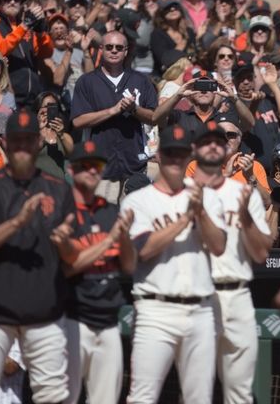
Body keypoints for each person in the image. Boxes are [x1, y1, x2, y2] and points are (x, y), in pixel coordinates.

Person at [0, 108, 78, 404]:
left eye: (29, 140)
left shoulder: (58, 189)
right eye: (17, 140)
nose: (23, 147)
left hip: (44, 313)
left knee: (52, 397)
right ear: (6, 143)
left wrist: (65, 243)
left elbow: (73, 259)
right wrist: (16, 223)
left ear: (39, 142)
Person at [122, 124, 227, 403]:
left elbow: (219, 246)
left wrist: (200, 212)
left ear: (190, 155)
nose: (175, 161)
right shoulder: (138, 200)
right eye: (170, 154)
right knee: (142, 397)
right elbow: (144, 250)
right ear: (158, 155)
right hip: (155, 310)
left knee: (199, 399)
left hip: (200, 310)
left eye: (181, 154)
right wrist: (184, 220)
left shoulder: (206, 196)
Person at [191, 120, 272, 404]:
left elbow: (262, 253)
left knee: (239, 393)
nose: (219, 143)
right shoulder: (183, 192)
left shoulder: (244, 193)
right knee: (196, 392)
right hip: (199, 296)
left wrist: (245, 215)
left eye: (227, 137)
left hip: (237, 294)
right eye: (211, 139)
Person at [63, 140, 136, 404]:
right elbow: (68, 268)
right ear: (71, 171)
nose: (92, 171)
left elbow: (128, 266)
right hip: (72, 319)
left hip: (108, 320)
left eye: (97, 166)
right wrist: (108, 241)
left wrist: (124, 237)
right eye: (85, 166)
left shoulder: (110, 211)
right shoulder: (63, 211)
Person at [71, 31, 156, 203]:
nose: (114, 51)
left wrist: (134, 109)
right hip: (100, 166)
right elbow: (78, 121)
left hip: (135, 162)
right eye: (109, 47)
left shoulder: (141, 80)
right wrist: (112, 111)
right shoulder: (87, 81)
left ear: (126, 51)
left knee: (134, 219)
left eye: (119, 47)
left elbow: (155, 117)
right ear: (101, 49)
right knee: (105, 220)